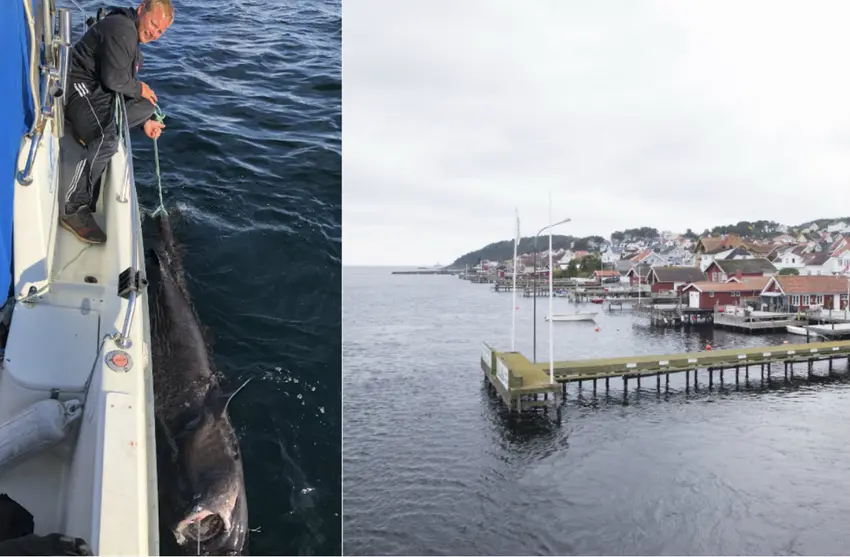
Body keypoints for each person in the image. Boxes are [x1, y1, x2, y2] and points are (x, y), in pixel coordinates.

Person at [60, 0, 173, 244]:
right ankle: (74, 209)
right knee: (108, 140)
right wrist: (139, 87)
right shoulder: (121, 28)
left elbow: (120, 87)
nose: (154, 33)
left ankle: (92, 129)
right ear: (142, 9)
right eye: (154, 23)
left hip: (100, 94)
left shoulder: (131, 37)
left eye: (160, 31)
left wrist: (145, 120)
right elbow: (114, 80)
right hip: (79, 90)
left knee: (149, 106)